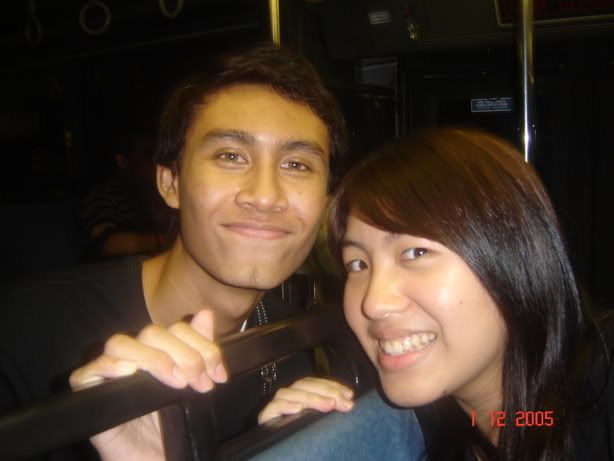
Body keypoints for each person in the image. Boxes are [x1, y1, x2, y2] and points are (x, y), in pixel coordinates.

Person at [0, 43, 355, 461]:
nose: (265, 196)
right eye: (230, 156)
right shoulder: (26, 332)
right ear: (170, 183)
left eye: (296, 165)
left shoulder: (291, 348)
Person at [258, 127, 614, 460]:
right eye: (358, 264)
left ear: (515, 257)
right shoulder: (424, 427)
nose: (374, 303)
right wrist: (311, 443)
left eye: (416, 253)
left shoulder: (602, 383)